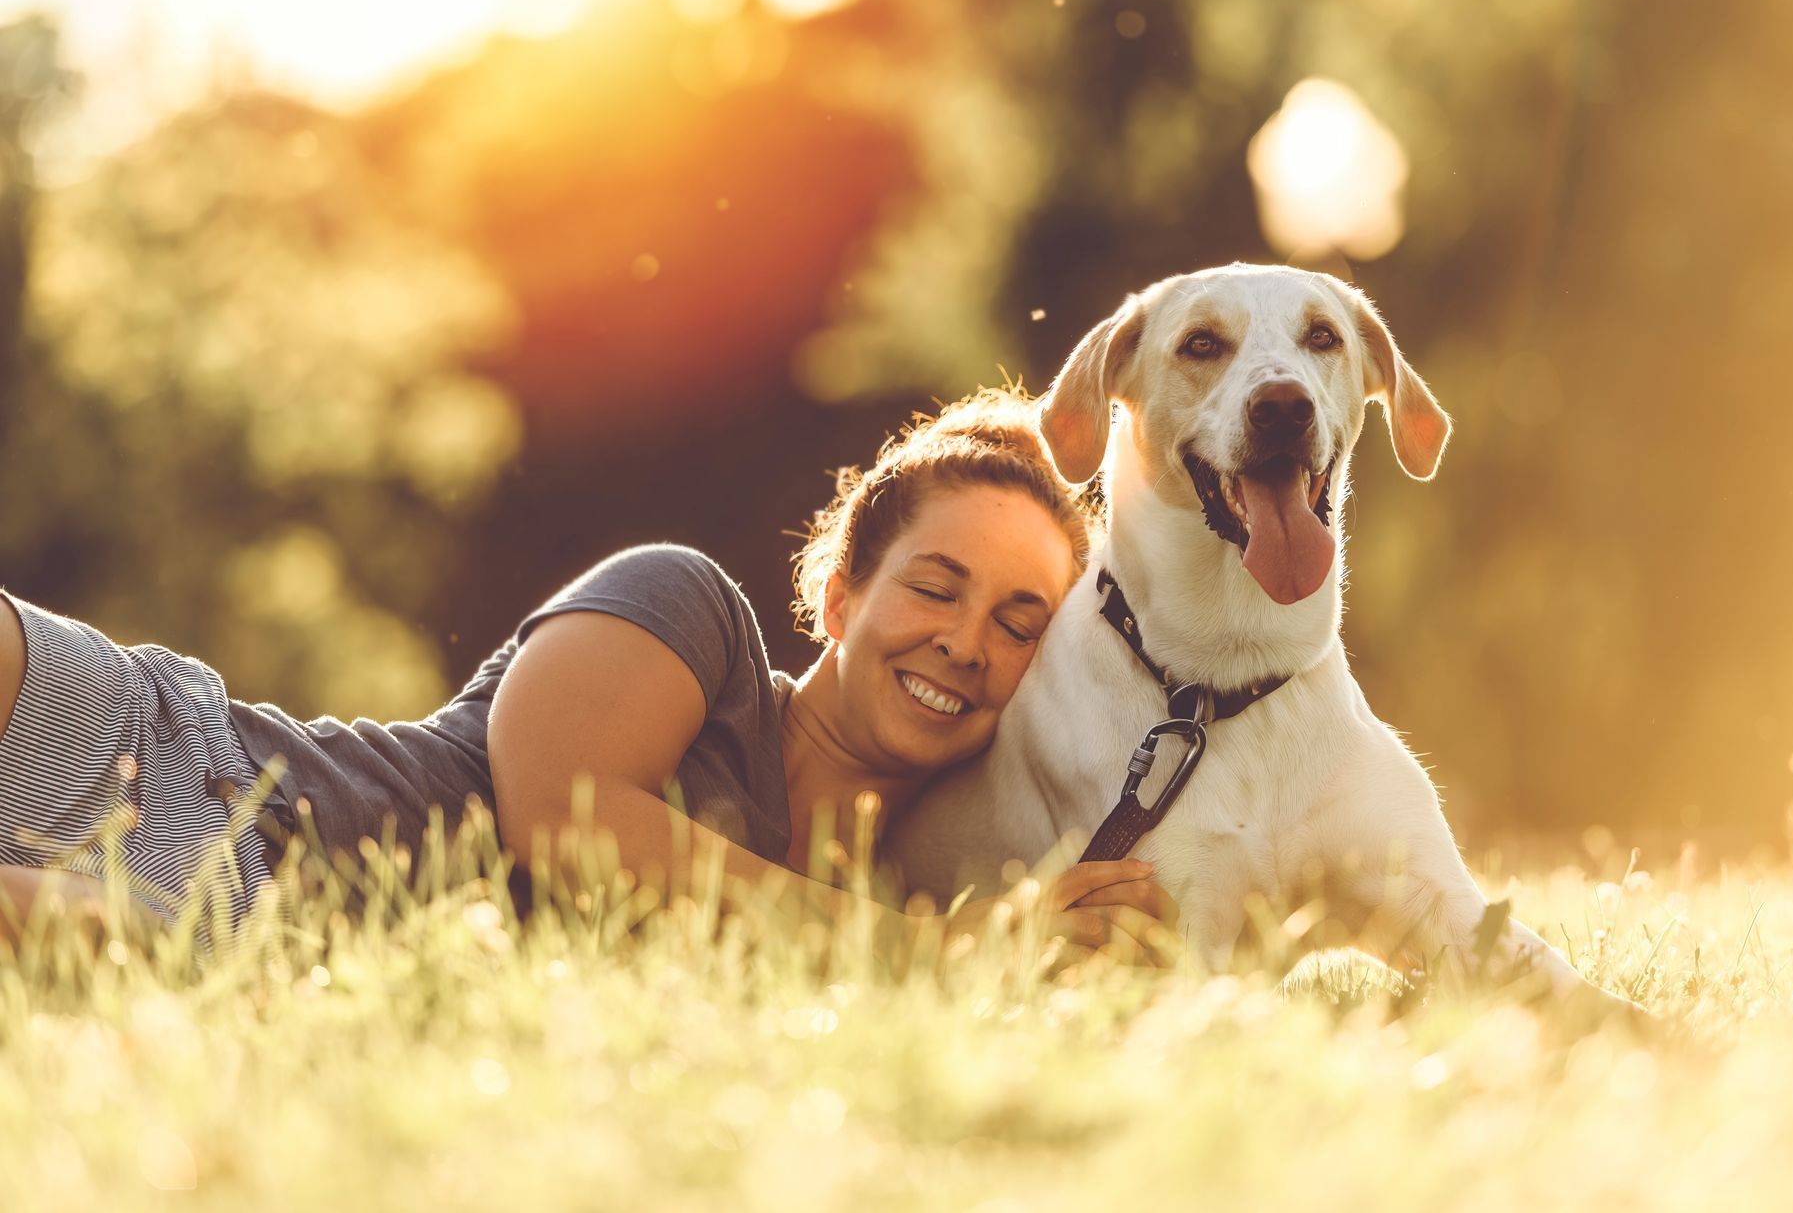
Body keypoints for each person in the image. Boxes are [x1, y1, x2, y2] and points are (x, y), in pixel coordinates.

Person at [0, 388, 1174, 952]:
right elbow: (570, 822)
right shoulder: (691, 612)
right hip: (173, 756)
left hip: (218, 939)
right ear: (840, 592)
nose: (968, 642)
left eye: (1022, 623)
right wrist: (950, 957)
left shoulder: (899, 900)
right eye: (935, 585)